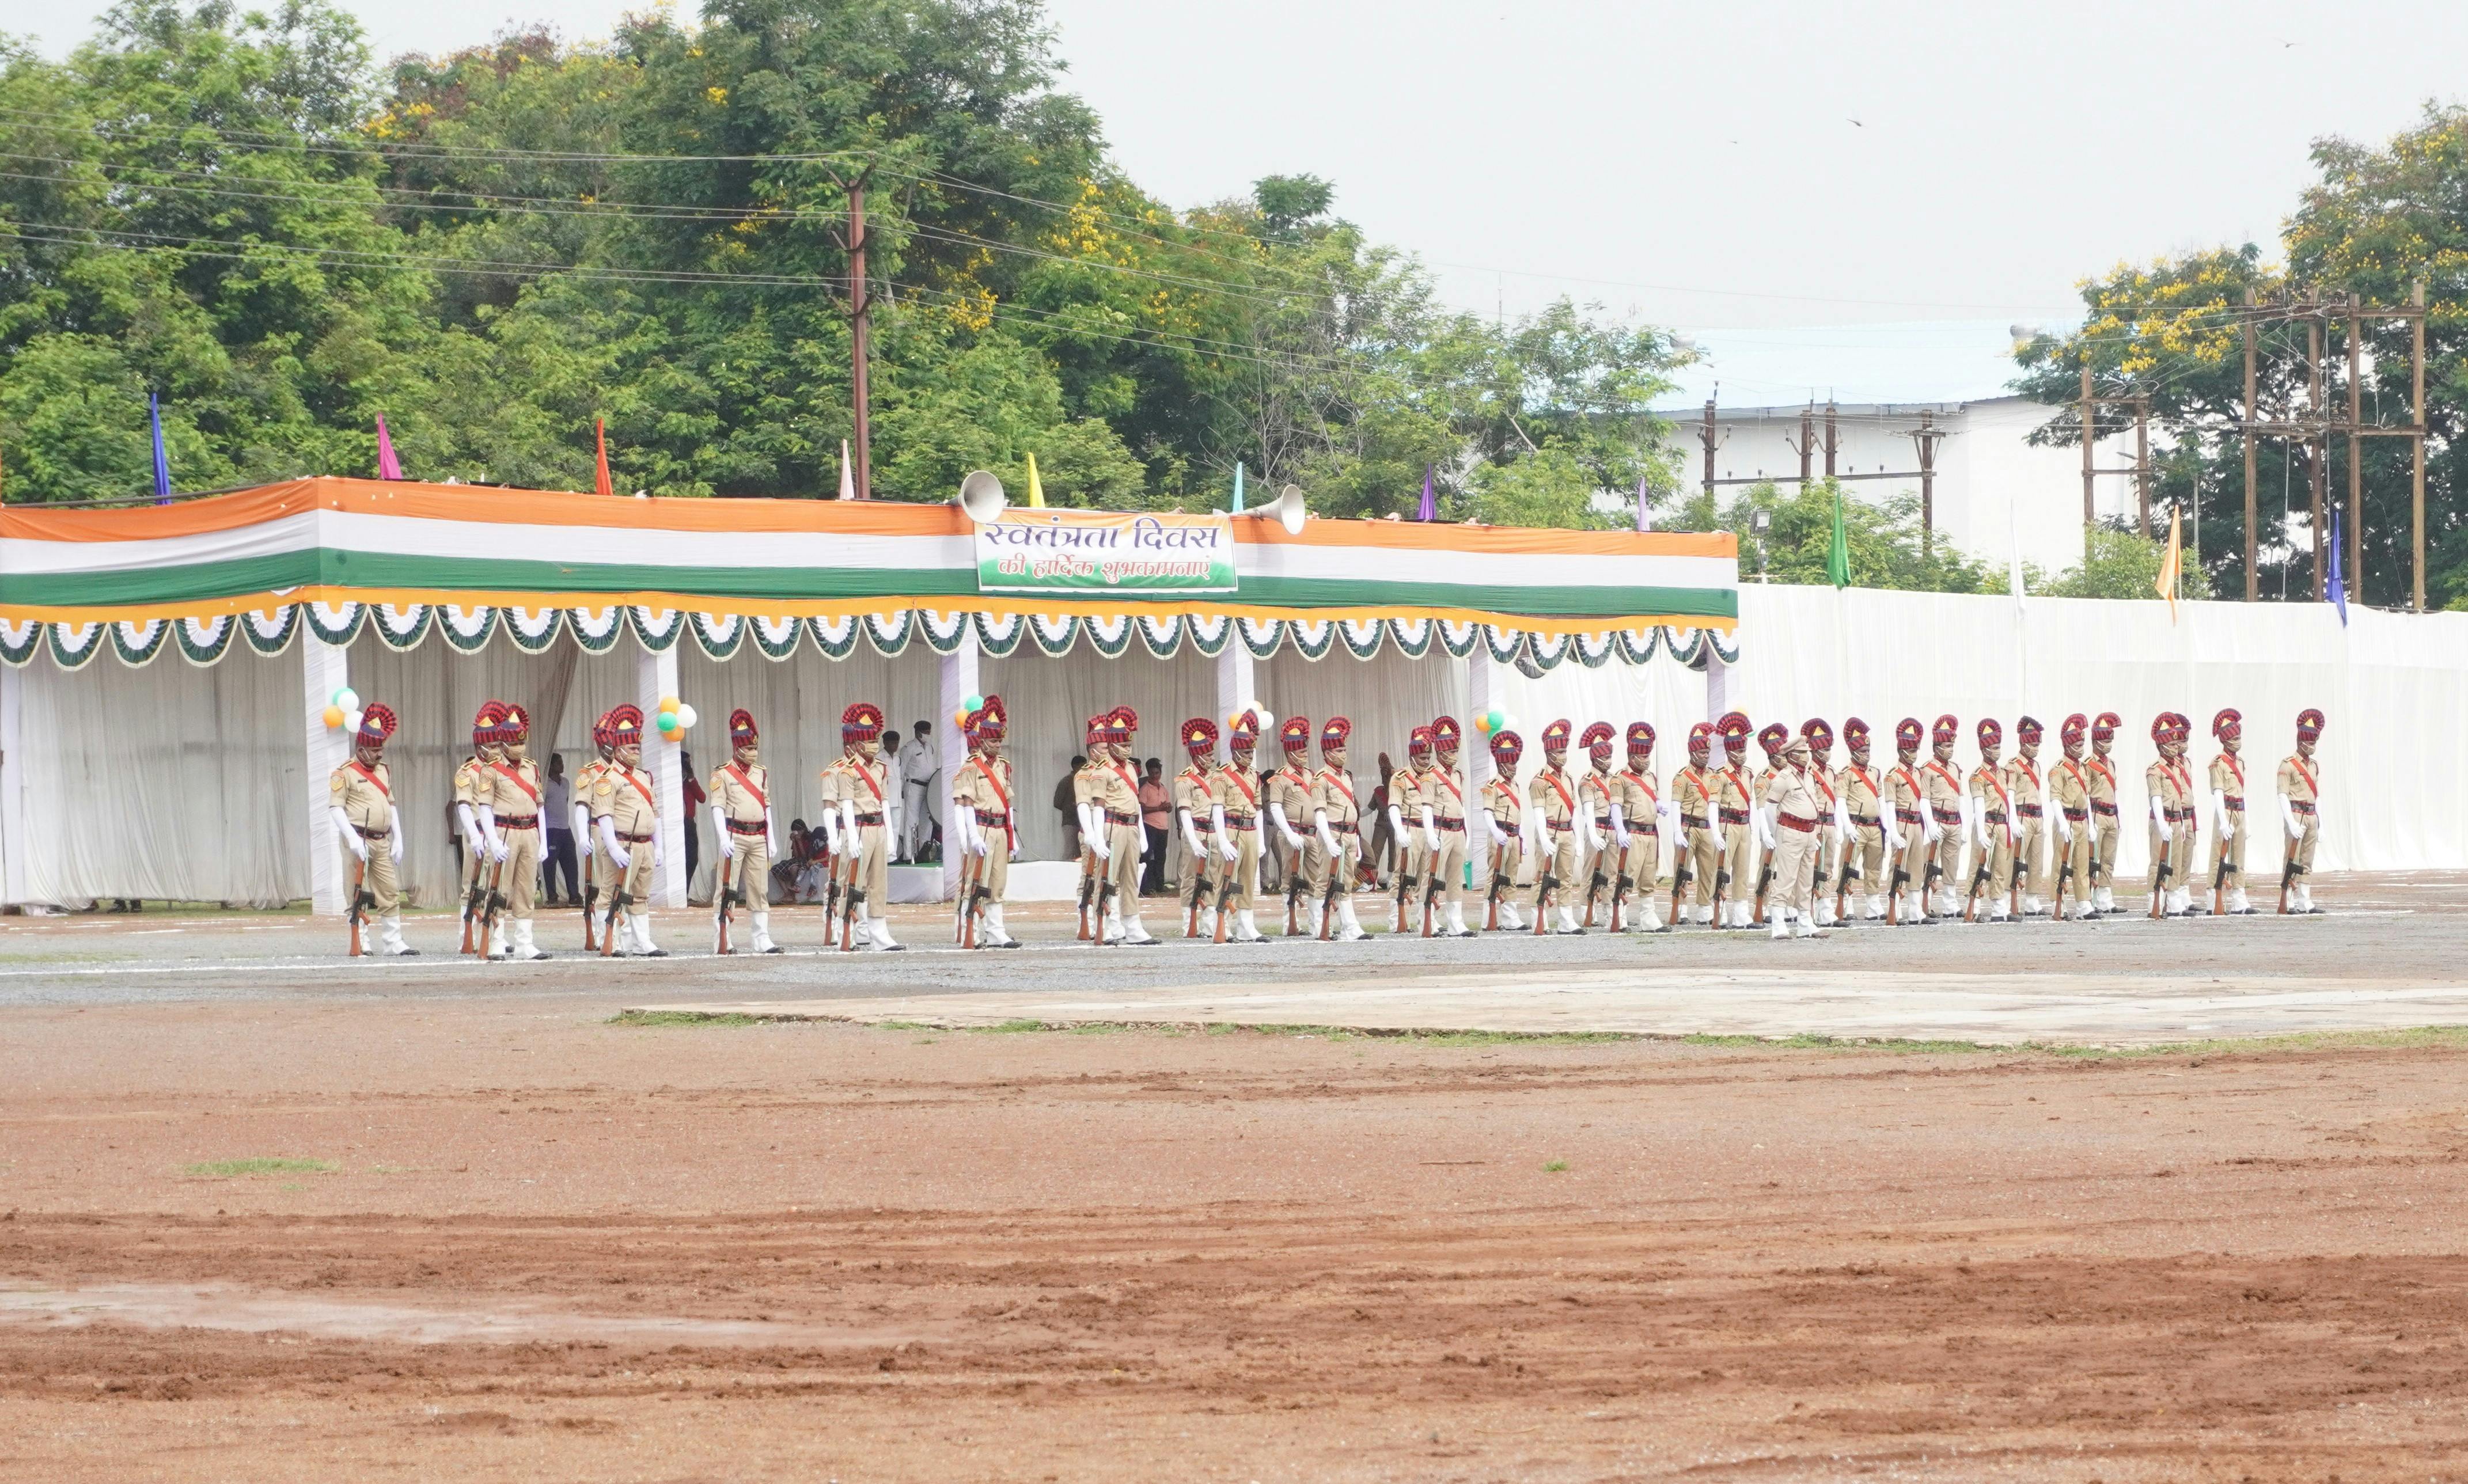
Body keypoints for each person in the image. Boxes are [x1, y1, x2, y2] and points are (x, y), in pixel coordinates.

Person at [329, 703, 414, 956]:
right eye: (375, 750)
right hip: (358, 839)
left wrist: (399, 838)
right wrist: (352, 838)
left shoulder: (384, 771)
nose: (380, 755)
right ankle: (361, 940)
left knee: (389, 890)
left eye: (382, 749)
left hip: (382, 840)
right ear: (361, 749)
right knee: (357, 891)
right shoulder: (343, 774)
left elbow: (391, 804)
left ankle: (393, 941)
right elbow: (336, 808)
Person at [593, 705, 665, 957]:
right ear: (619, 749)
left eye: (638, 748)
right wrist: (612, 846)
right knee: (611, 893)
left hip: (645, 845)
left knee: (641, 895)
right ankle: (608, 941)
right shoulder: (607, 778)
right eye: (633, 748)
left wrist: (659, 846)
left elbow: (655, 815)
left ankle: (641, 942)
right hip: (622, 844)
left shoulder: (645, 777)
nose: (637, 753)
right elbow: (604, 815)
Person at [480, 702, 549, 959]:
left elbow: (540, 805)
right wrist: (493, 841)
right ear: (504, 743)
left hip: (529, 831)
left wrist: (544, 841)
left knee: (527, 889)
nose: (519, 748)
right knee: (499, 889)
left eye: (523, 743)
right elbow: (485, 808)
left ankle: (524, 944)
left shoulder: (531, 767)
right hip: (503, 831)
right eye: (515, 743)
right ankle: (496, 941)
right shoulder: (491, 770)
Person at [708, 709, 781, 954]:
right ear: (737, 748)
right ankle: (723, 937)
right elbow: (717, 807)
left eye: (755, 747)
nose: (753, 752)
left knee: (760, 888)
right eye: (748, 748)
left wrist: (771, 838)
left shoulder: (761, 773)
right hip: (734, 835)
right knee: (727, 887)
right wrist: (722, 838)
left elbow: (766, 806)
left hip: (758, 836)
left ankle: (761, 938)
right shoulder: (722, 774)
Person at [952, 696, 1022, 948]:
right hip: (981, 826)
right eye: (993, 740)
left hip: (1000, 828)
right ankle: (969, 930)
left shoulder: (1004, 767)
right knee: (974, 881)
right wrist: (972, 836)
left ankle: (996, 932)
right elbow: (967, 804)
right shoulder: (970, 768)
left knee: (997, 882)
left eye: (1000, 740)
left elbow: (1008, 803)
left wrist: (1012, 835)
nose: (998, 745)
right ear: (981, 741)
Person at [1085, 708, 1157, 944]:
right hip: (1112, 825)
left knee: (1131, 878)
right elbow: (1098, 806)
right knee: (1106, 878)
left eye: (1129, 745)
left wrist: (1142, 833)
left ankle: (1133, 926)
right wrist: (1096, 837)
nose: (1127, 750)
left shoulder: (1130, 769)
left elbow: (1135, 802)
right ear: (1112, 745)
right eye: (1123, 746)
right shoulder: (1101, 771)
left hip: (1132, 826)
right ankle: (1102, 925)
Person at [835, 703, 903, 951]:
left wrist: (891, 836)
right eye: (869, 740)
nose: (874, 744)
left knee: (879, 883)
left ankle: (879, 934)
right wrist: (851, 837)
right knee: (852, 883)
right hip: (860, 828)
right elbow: (846, 805)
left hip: (879, 828)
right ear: (858, 743)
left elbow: (884, 802)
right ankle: (847, 930)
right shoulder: (847, 771)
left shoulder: (881, 768)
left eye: (875, 739)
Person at [1762, 731, 1829, 939]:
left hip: (1809, 832)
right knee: (1785, 879)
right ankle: (1778, 923)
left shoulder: (1809, 776)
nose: (1806, 756)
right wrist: (1777, 833)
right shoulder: (1783, 778)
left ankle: (1805, 922)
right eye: (1801, 753)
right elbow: (1769, 808)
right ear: (1791, 755)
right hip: (1790, 831)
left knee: (1806, 879)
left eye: (1806, 752)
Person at [1309, 716, 1369, 940]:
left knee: (1346, 882)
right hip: (1332, 833)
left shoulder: (1347, 777)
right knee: (1325, 879)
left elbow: (1352, 808)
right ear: (1328, 753)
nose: (1343, 753)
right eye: (1339, 749)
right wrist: (1328, 839)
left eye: (1344, 749)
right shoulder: (1320, 779)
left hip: (1349, 834)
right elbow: (1320, 813)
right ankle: (1319, 926)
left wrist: (1357, 839)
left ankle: (1349, 927)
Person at [452, 701, 504, 954]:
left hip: (499, 833)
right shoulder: (467, 772)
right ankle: (466, 936)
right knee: (471, 888)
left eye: (498, 745)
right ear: (479, 747)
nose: (496, 751)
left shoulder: (502, 771)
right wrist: (474, 836)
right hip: (477, 833)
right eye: (492, 746)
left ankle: (495, 936)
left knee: (496, 886)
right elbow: (463, 806)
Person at [1214, 708, 1269, 942]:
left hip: (1249, 831)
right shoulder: (1222, 775)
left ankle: (1246, 927)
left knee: (1248, 880)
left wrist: (1262, 840)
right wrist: (1223, 840)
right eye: (1246, 752)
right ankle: (1222, 926)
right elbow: (1217, 808)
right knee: (1226, 880)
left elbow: (1258, 809)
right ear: (1235, 751)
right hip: (1230, 828)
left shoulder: (1255, 776)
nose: (1250, 756)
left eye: (1252, 751)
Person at [1612, 721, 1669, 933]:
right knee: (1628, 876)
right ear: (1632, 756)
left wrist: (1659, 805)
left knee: (1648, 877)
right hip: (1633, 832)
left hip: (1651, 833)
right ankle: (1620, 916)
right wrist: (1619, 830)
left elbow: (1653, 797)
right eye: (1643, 757)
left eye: (1648, 756)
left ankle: (1648, 917)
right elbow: (1615, 806)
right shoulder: (1621, 778)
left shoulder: (1650, 777)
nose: (1646, 760)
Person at [1529, 719, 1582, 935]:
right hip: (1549, 831)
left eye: (1565, 750)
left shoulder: (1569, 778)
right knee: (1542, 877)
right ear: (1550, 753)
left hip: (1567, 831)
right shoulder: (1539, 781)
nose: (1563, 755)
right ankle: (1538, 919)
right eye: (1559, 751)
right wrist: (1542, 837)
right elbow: (1538, 812)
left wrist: (1577, 838)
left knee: (1566, 878)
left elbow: (1574, 810)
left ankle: (1566, 921)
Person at [1424, 716, 1476, 938]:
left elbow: (1460, 804)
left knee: (1456, 879)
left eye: (1456, 750)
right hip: (1440, 830)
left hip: (1457, 831)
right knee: (1432, 876)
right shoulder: (1430, 776)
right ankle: (1427, 920)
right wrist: (1429, 833)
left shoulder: (1458, 775)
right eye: (1451, 751)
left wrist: (1467, 830)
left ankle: (1456, 922)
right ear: (1441, 752)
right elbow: (1426, 806)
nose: (1454, 754)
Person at [1173, 721, 1223, 937]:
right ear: (1198, 755)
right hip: (1195, 830)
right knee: (1191, 878)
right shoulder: (1184, 779)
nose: (1212, 758)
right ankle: (1189, 925)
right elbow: (1184, 811)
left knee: (1213, 878)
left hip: (1213, 831)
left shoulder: (1216, 778)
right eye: (1209, 754)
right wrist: (1192, 840)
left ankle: (1208, 924)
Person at [1836, 718, 1888, 922]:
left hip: (1874, 826)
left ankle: (1873, 905)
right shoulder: (1846, 774)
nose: (1867, 754)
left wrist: (1887, 826)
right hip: (1856, 825)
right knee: (1849, 866)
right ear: (1854, 752)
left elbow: (1881, 800)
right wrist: (1847, 827)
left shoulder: (1875, 772)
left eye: (1868, 751)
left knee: (1874, 867)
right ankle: (1846, 904)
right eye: (1863, 751)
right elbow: (1840, 801)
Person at [1268, 716, 1315, 935]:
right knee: (1289, 880)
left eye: (1306, 751)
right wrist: (1288, 833)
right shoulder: (1280, 778)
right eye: (1301, 752)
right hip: (1292, 833)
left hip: (1312, 835)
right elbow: (1275, 808)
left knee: (1316, 879)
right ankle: (1290, 925)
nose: (1305, 756)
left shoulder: (1312, 775)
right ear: (1290, 753)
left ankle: (1317, 925)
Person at [2276, 708, 2326, 913]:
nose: (2312, 746)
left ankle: (2305, 901)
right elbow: (2282, 795)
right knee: (2291, 860)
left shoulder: (2314, 766)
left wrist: (2321, 824)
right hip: (2296, 814)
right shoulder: (2287, 765)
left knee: (2307, 860)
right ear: (2300, 741)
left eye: (2315, 742)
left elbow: (2317, 796)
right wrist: (2290, 820)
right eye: (2310, 742)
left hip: (2312, 816)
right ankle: (2286, 901)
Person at [1964, 718, 2013, 923]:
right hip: (1986, 822)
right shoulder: (1977, 776)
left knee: (2000, 866)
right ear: (1984, 750)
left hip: (2002, 823)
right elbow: (1978, 803)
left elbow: (2008, 799)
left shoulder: (2004, 773)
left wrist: (2012, 823)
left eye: (1999, 747)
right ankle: (1972, 908)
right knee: (1978, 865)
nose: (1997, 751)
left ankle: (1998, 908)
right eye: (1993, 747)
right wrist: (1982, 831)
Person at [2050, 715, 2098, 921]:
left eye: (2082, 744)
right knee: (2060, 864)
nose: (2081, 748)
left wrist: (2092, 825)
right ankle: (2057, 903)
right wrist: (2061, 823)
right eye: (2077, 744)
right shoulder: (2058, 769)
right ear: (2068, 746)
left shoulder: (2084, 769)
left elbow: (2086, 796)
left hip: (2082, 821)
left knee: (2082, 864)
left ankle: (2084, 904)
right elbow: (2055, 798)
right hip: (2067, 820)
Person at [1673, 723, 1721, 928]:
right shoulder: (1682, 776)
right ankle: (1680, 909)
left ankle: (1704, 909)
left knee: (1708, 870)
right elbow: (1675, 804)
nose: (1706, 756)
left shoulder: (1713, 775)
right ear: (1693, 752)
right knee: (1682, 869)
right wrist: (1677, 830)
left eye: (1708, 752)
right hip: (1688, 827)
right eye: (1702, 752)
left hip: (1707, 828)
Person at [2207, 708, 2254, 914]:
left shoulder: (2240, 763)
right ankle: (2212, 899)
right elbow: (2217, 792)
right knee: (2218, 856)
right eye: (2234, 738)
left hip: (2240, 811)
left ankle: (2239, 899)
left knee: (2239, 857)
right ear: (2225, 741)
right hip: (2225, 810)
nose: (2237, 741)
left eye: (2239, 737)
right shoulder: (2218, 763)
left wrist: (2247, 820)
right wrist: (2223, 821)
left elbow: (2242, 792)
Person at [1481, 727, 1529, 931]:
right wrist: (1495, 832)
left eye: (1515, 762)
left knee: (1511, 877)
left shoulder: (1515, 785)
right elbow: (1487, 812)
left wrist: (1523, 837)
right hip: (1499, 835)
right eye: (1510, 762)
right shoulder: (1492, 786)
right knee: (1494, 876)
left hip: (1513, 835)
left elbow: (1518, 814)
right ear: (1501, 763)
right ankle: (1488, 919)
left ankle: (1510, 918)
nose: (1514, 767)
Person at [1886, 718, 1933, 924]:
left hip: (1916, 824)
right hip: (1902, 824)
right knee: (1898, 869)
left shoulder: (1920, 774)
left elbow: (1923, 800)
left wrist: (1929, 826)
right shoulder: (1892, 776)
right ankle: (1893, 910)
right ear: (1902, 750)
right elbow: (1889, 804)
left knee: (1916, 868)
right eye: (1910, 749)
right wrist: (1892, 832)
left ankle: (1916, 912)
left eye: (1916, 749)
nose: (1914, 753)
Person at [1921, 715, 1968, 920]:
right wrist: (1930, 824)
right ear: (1937, 747)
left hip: (1954, 821)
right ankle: (1925, 903)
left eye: (1952, 745)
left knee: (1952, 865)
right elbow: (1923, 799)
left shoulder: (1955, 769)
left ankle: (1950, 904)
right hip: (1937, 821)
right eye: (1947, 745)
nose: (1950, 749)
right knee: (1929, 864)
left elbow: (1961, 798)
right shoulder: (1927, 770)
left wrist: (1964, 825)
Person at [1800, 719, 1845, 928]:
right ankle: (1806, 910)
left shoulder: (1831, 772)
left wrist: (1839, 825)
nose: (1828, 753)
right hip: (1815, 824)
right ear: (1815, 750)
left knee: (1827, 868)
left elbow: (1835, 799)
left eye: (1829, 748)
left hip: (1829, 824)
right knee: (1810, 868)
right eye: (1824, 749)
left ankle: (1825, 910)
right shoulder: (1808, 771)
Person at [2146, 713, 2191, 918]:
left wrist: (2181, 822)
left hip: (2175, 819)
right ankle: (2153, 901)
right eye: (2172, 744)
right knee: (2158, 861)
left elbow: (2180, 797)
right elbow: (2155, 798)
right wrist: (2162, 824)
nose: (2176, 747)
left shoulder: (2179, 769)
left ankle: (2173, 901)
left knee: (2176, 862)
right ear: (2162, 746)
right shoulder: (2155, 770)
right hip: (2161, 819)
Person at [1715, 713, 1757, 929]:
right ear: (1730, 751)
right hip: (1727, 825)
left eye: (1744, 751)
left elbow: (1750, 801)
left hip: (1744, 826)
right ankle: (1719, 911)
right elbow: (1713, 804)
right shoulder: (1721, 775)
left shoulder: (1748, 774)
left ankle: (1741, 913)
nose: (1743, 755)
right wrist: (1715, 832)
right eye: (1740, 751)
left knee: (1742, 870)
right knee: (1722, 869)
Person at [2006, 717, 2050, 918]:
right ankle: (2007, 900)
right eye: (2032, 744)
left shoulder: (2037, 766)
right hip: (2021, 816)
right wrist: (2012, 820)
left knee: (2036, 861)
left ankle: (2032, 901)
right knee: (2013, 861)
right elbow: (2009, 793)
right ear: (2023, 743)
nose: (2035, 748)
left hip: (2037, 817)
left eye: (2037, 744)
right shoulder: (2013, 766)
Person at [1575, 722, 1617, 928]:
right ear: (1595, 757)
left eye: (1610, 757)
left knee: (1612, 873)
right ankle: (1587, 913)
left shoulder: (1614, 779)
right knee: (1590, 872)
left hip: (1613, 830)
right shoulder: (1588, 781)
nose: (1609, 761)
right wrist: (1592, 835)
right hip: (1597, 828)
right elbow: (1588, 811)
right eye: (1605, 757)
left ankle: (1611, 913)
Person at [1387, 734, 1430, 931]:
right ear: (1412, 758)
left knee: (1425, 876)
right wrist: (1399, 831)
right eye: (1422, 758)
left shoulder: (1432, 777)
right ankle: (1397, 919)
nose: (1426, 761)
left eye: (1429, 758)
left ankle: (1424, 920)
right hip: (1409, 828)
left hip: (1427, 830)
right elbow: (1394, 806)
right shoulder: (1400, 778)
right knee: (1402, 876)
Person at [2087, 712, 2124, 914]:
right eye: (2104, 739)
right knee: (2093, 860)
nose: (2108, 743)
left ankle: (2105, 898)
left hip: (2111, 814)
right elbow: (2085, 793)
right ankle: (2090, 899)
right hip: (2096, 814)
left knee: (2108, 860)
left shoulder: (2111, 764)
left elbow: (2115, 791)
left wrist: (2120, 817)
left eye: (2110, 739)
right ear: (2095, 740)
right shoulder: (2088, 765)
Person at [898, 720, 938, 864]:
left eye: (929, 731)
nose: (928, 734)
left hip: (928, 787)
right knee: (911, 820)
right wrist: (901, 789)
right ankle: (909, 855)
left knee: (927, 821)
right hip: (913, 786)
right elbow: (901, 771)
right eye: (925, 732)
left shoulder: (930, 747)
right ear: (917, 732)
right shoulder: (908, 748)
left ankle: (924, 852)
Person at [543, 753, 576, 908]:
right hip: (551, 829)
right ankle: (552, 897)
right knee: (550, 865)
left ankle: (574, 896)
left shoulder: (566, 783)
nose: (562, 765)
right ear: (551, 766)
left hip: (565, 828)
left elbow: (565, 802)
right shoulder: (544, 784)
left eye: (562, 761)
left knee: (571, 863)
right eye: (558, 762)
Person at [1140, 756, 1172, 898]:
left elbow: (1169, 808)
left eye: (1157, 773)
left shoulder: (1164, 788)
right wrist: (1159, 807)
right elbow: (1143, 809)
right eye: (1152, 773)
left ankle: (1160, 884)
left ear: (1160, 773)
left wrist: (1168, 807)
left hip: (1164, 827)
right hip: (1150, 826)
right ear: (1148, 772)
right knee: (1147, 857)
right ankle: (1147, 886)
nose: (1155, 776)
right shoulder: (1145, 788)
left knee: (1161, 857)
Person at [680, 750, 704, 890]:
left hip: (689, 823)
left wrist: (691, 777)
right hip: (676, 825)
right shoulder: (673, 784)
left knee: (692, 859)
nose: (689, 765)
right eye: (687, 763)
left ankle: (686, 892)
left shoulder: (689, 782)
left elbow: (702, 798)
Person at [1054, 755, 1086, 862]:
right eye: (1082, 766)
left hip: (1084, 822)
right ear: (1075, 767)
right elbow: (1057, 803)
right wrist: (1072, 806)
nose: (1084, 769)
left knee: (1083, 852)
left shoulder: (1086, 780)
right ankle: (1064, 872)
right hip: (1071, 822)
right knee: (1070, 850)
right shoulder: (1066, 782)